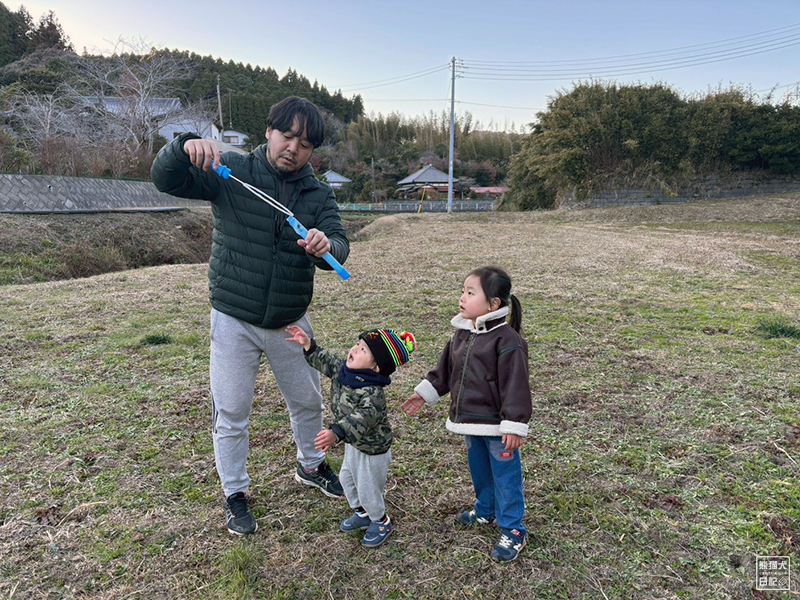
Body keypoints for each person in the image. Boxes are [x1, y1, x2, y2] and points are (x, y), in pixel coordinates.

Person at [150, 96, 350, 535]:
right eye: (287, 135)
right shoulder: (232, 170)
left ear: (312, 150)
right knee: (232, 411)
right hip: (233, 318)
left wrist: (326, 247)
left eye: (305, 142)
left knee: (308, 401)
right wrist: (183, 145)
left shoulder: (317, 193)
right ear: (269, 132)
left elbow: (339, 243)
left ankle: (311, 466)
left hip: (290, 321)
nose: (293, 147)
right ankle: (235, 493)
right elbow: (165, 178)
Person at [402, 266, 532, 562]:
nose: (462, 297)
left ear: (494, 304)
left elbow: (516, 386)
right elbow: (445, 371)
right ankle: (485, 510)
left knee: (505, 476)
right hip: (470, 422)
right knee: (479, 469)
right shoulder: (462, 334)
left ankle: (513, 529)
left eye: (470, 293)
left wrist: (513, 425)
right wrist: (425, 393)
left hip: (499, 428)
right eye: (463, 291)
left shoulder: (507, 341)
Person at [285, 325, 416, 548]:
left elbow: (361, 419)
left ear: (375, 367)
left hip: (372, 450)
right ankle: (362, 513)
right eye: (358, 344)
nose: (354, 349)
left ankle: (381, 520)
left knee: (367, 487)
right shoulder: (345, 371)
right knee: (347, 479)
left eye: (363, 350)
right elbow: (326, 361)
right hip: (354, 445)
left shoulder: (373, 394)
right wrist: (309, 346)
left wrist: (335, 433)